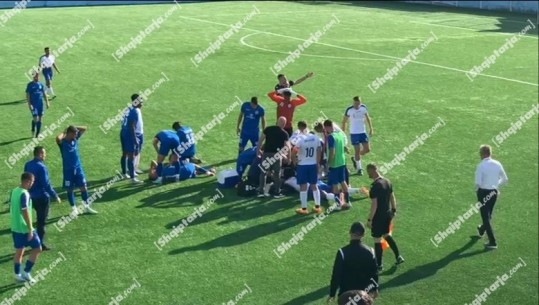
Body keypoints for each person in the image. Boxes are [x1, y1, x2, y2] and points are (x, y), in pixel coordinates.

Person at [328, 222, 379, 303]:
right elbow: (374, 273)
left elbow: (336, 275)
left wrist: (332, 293)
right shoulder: (371, 251)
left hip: (345, 295)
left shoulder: (342, 252)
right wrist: (375, 288)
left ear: (350, 232)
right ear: (363, 235)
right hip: (364, 295)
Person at [365, 163, 404, 271]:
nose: (368, 174)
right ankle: (398, 256)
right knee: (387, 235)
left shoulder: (374, 186)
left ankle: (379, 265)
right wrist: (394, 210)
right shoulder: (387, 181)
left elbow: (374, 205)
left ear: (372, 171)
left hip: (378, 217)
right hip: (387, 214)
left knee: (377, 240)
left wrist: (370, 219)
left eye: (368, 171)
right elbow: (392, 197)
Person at [23, 146, 61, 251]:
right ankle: (39, 244)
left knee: (35, 220)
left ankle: (31, 240)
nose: (45, 155)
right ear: (39, 154)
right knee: (41, 221)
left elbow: (25, 180)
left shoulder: (28, 164)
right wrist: (55, 195)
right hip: (42, 198)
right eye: (44, 153)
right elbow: (46, 184)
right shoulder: (42, 167)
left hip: (31, 197)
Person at [56, 125, 98, 214]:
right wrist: (65, 131)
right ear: (69, 133)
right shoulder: (62, 143)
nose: (76, 135)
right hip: (68, 171)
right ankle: (73, 208)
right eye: (74, 133)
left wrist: (74, 126)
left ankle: (86, 206)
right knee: (70, 190)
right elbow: (57, 138)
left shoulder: (75, 139)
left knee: (84, 188)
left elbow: (84, 128)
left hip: (78, 169)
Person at [9, 172, 42, 283]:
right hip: (24, 228)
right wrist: (30, 229)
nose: (32, 184)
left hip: (15, 227)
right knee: (37, 248)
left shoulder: (14, 191)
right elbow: (25, 211)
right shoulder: (25, 194)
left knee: (19, 251)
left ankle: (17, 274)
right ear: (27, 181)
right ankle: (26, 272)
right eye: (32, 182)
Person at [474, 144, 508, 249]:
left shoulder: (481, 166)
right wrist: (495, 185)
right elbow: (505, 179)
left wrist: (477, 191)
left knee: (485, 216)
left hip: (483, 192)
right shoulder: (497, 164)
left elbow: (478, 182)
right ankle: (482, 228)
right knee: (488, 214)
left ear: (483, 154)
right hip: (493, 192)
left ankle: (492, 242)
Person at [291, 121, 322, 215]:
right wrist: (317, 162)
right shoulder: (315, 138)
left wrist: (294, 161)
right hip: (313, 164)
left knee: (303, 186)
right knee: (314, 185)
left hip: (303, 165)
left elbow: (294, 152)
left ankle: (304, 208)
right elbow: (319, 150)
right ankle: (317, 206)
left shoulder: (300, 139)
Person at [257, 117, 290, 198]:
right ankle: (277, 192)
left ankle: (261, 191)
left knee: (263, 173)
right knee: (276, 174)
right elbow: (287, 147)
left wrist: (258, 149)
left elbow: (261, 140)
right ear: (284, 124)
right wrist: (288, 157)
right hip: (277, 155)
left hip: (266, 153)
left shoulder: (268, 129)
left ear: (276, 122)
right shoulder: (284, 133)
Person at [342, 96, 373, 176]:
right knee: (357, 150)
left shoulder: (363, 107)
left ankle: (355, 158)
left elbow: (368, 117)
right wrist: (343, 132)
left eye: (358, 103)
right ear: (353, 102)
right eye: (355, 103)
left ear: (360, 102)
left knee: (367, 149)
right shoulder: (349, 110)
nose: (356, 105)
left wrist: (371, 128)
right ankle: (359, 169)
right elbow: (344, 121)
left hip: (362, 132)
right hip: (354, 133)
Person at [324, 120, 351, 210]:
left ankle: (338, 204)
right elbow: (344, 147)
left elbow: (332, 152)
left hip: (334, 164)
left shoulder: (331, 137)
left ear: (327, 127)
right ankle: (348, 201)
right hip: (342, 162)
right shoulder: (339, 134)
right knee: (343, 181)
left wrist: (328, 163)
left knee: (335, 184)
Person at [120, 94, 144, 184]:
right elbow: (132, 126)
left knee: (125, 154)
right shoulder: (134, 111)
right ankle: (132, 178)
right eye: (140, 101)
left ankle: (124, 173)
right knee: (131, 155)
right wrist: (135, 139)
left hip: (123, 132)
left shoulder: (128, 108)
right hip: (131, 135)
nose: (142, 103)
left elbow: (122, 121)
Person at [148, 154, 215, 182]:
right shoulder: (160, 172)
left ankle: (208, 170)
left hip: (185, 176)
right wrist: (153, 167)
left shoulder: (161, 177)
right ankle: (207, 172)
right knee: (193, 165)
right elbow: (153, 161)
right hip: (184, 170)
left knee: (193, 172)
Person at [26, 73, 50, 138]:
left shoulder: (41, 85)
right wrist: (29, 105)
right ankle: (33, 130)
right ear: (33, 77)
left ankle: (37, 134)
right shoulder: (30, 85)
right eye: (36, 76)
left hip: (40, 105)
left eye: (38, 76)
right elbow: (28, 96)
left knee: (40, 119)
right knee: (35, 119)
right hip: (33, 105)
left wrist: (47, 102)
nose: (37, 78)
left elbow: (44, 94)